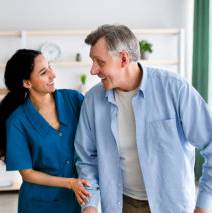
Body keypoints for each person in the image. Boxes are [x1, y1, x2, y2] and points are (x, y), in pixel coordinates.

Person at [74, 24, 212, 213]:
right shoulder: (92, 100)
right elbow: (87, 160)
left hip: (171, 206)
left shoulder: (174, 89)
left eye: (100, 62)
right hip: (121, 204)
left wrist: (204, 205)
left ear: (123, 58)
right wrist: (89, 206)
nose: (93, 70)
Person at [0, 49, 91, 213]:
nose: (53, 74)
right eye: (44, 72)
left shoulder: (74, 100)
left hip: (78, 199)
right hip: (39, 204)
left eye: (50, 67)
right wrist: (70, 183)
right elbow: (28, 174)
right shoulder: (17, 121)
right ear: (27, 83)